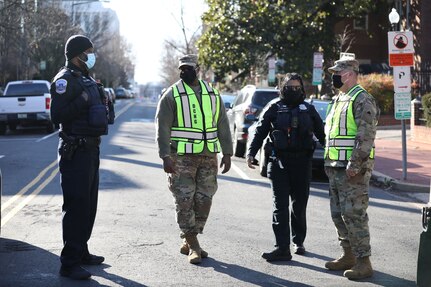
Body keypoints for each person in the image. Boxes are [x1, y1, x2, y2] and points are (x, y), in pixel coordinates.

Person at [155, 54, 233, 264]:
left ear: (198, 69)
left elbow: (222, 124)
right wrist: (165, 156)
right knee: (184, 200)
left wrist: (227, 152)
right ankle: (193, 244)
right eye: (182, 68)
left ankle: (190, 238)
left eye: (189, 67)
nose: (185, 71)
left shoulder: (212, 93)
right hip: (181, 157)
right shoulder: (172, 95)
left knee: (205, 199)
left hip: (208, 156)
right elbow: (162, 128)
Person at [50, 35, 114, 280]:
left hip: (90, 149)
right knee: (76, 206)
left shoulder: (84, 78)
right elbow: (57, 115)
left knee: (88, 206)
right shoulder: (64, 80)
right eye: (88, 51)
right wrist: (84, 100)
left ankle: (82, 251)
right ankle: (69, 263)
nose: (92, 55)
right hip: (74, 150)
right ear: (77, 54)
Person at [246, 73, 325, 262]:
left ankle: (298, 241)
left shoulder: (309, 110)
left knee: (299, 204)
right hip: (279, 163)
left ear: (302, 89)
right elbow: (260, 131)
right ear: (283, 88)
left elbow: (322, 134)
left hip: (302, 162)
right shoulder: (274, 108)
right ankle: (282, 248)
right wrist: (251, 153)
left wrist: (332, 156)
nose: (293, 90)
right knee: (279, 206)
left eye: (297, 87)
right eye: (289, 87)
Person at [324, 54, 379, 280]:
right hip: (335, 166)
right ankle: (348, 255)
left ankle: (364, 261)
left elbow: (365, 135)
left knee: (354, 214)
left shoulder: (362, 99)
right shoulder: (338, 99)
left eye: (337, 73)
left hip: (353, 169)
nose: (334, 77)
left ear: (349, 74)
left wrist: (355, 163)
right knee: (338, 213)